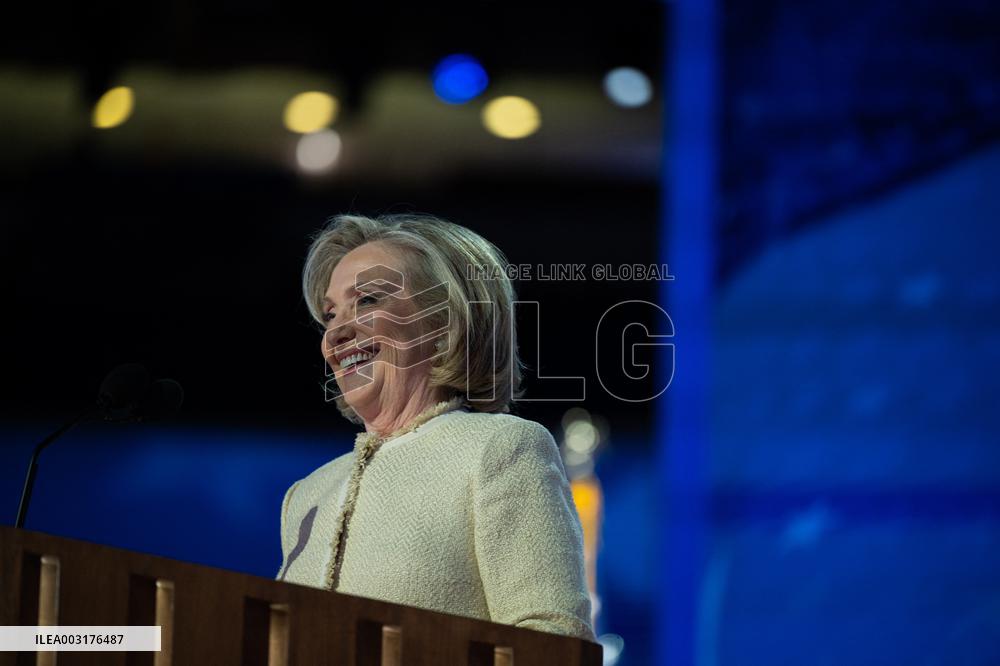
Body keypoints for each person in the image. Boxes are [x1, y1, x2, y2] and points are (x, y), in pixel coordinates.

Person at [276, 213, 595, 641]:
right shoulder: (307, 495)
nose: (336, 334)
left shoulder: (498, 449)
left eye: (367, 301)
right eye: (331, 315)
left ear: (444, 325)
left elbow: (553, 642)